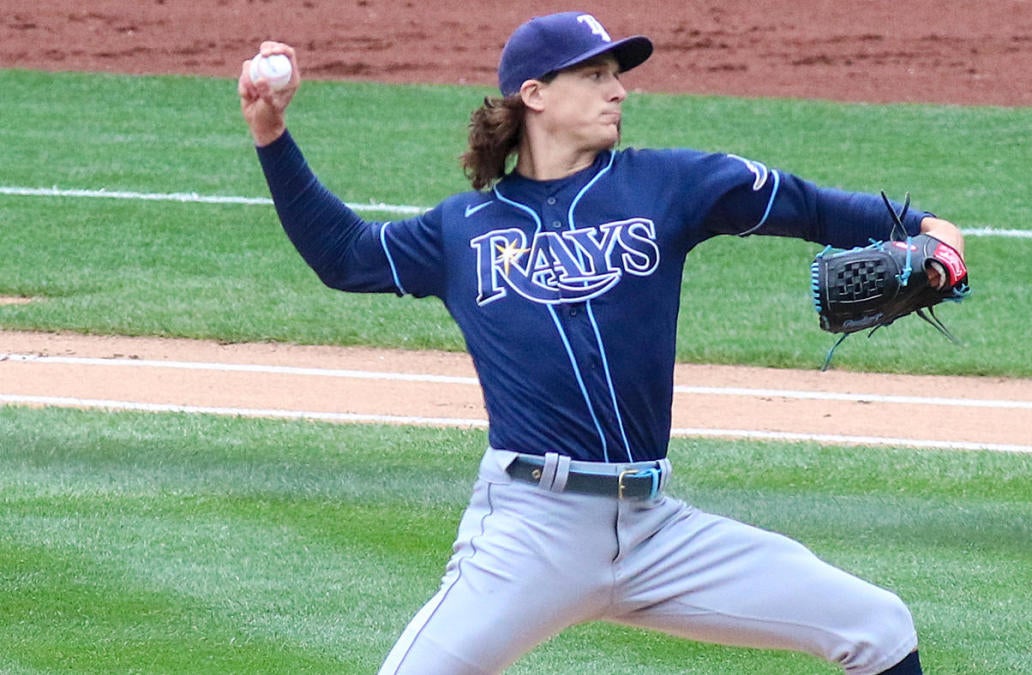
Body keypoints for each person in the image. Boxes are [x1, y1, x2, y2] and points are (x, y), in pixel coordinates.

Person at [239, 11, 964, 675]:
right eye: (594, 74)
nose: (616, 90)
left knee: (878, 624)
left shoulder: (669, 183)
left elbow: (808, 206)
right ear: (535, 94)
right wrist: (271, 134)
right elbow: (345, 254)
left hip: (656, 531)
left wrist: (924, 226)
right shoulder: (461, 229)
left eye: (617, 75)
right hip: (529, 532)